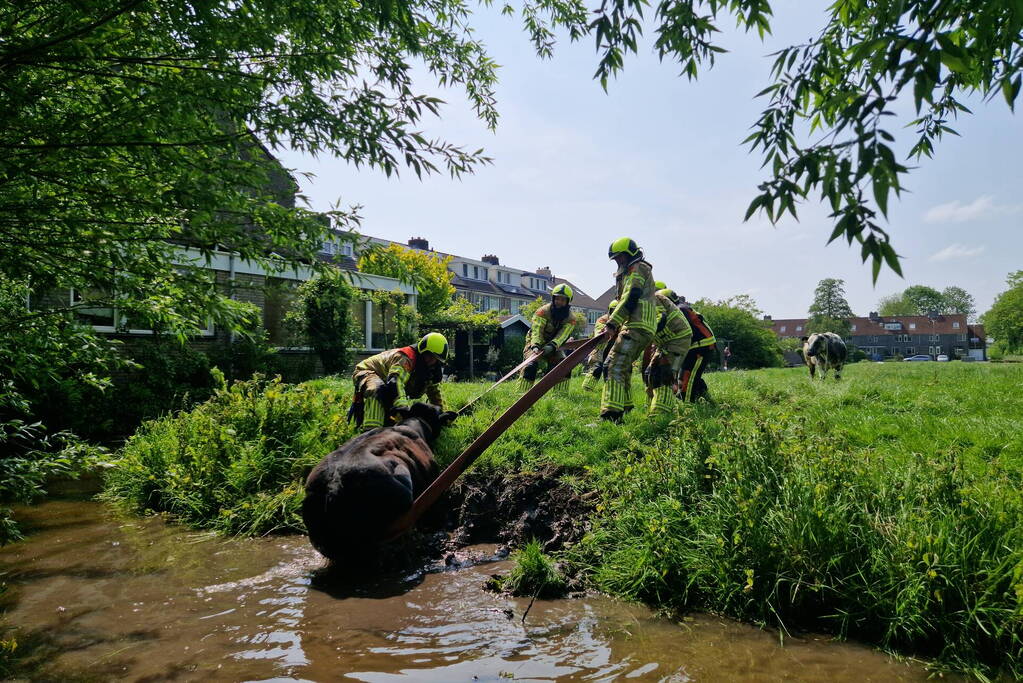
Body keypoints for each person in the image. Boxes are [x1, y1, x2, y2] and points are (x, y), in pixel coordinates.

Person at [601, 238, 658, 422]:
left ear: (630, 253)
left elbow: (631, 296)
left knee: (613, 366)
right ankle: (625, 407)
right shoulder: (631, 271)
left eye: (621, 257)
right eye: (616, 259)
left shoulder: (637, 268)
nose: (619, 262)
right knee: (623, 368)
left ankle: (611, 416)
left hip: (637, 325)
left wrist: (612, 323)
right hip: (640, 326)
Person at [350, 332, 448, 430]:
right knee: (377, 388)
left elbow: (434, 393)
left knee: (390, 419)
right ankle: (371, 430)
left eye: (435, 358)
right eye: (429, 355)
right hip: (366, 370)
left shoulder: (430, 369)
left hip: (384, 379)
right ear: (422, 350)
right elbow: (396, 381)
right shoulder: (406, 358)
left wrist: (442, 414)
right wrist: (403, 407)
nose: (431, 360)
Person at [519, 283, 576, 394]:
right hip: (534, 342)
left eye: (563, 300)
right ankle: (521, 393)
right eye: (557, 298)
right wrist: (535, 345)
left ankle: (560, 394)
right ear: (553, 298)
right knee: (530, 365)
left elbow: (563, 335)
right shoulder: (542, 311)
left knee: (564, 366)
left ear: (568, 301)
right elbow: (537, 330)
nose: (559, 302)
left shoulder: (571, 318)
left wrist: (552, 346)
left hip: (555, 345)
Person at [647, 289, 692, 414]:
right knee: (650, 373)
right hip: (664, 343)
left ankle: (660, 413)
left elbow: (660, 321)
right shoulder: (644, 302)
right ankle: (653, 406)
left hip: (678, 340)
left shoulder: (652, 299)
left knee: (665, 375)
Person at [667, 293, 716, 402]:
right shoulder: (682, 307)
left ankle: (687, 402)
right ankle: (702, 394)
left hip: (700, 346)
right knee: (689, 373)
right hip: (698, 345)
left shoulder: (679, 310)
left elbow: (681, 330)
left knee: (687, 377)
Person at [580, 298, 618, 392]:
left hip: (616, 348)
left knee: (613, 370)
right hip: (601, 348)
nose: (615, 314)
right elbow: (599, 334)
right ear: (609, 311)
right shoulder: (602, 320)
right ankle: (587, 390)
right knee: (597, 368)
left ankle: (609, 390)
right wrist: (606, 331)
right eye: (613, 311)